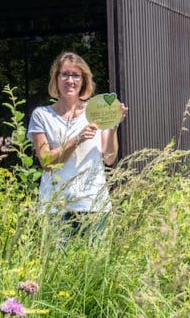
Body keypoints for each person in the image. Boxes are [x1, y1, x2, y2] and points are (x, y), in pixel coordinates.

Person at [27, 51, 127, 239]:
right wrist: (77, 140)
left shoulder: (96, 111)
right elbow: (47, 162)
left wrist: (113, 125)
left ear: (83, 80)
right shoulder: (42, 115)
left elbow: (109, 158)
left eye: (75, 75)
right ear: (56, 78)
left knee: (96, 268)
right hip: (56, 207)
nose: (70, 80)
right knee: (58, 268)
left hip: (94, 205)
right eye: (65, 74)